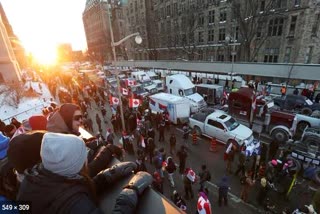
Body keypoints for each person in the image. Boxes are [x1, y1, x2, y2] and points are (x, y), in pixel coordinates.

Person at [17, 132, 152, 214]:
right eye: (83, 157)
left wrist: (106, 177)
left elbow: (66, 191)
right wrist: (130, 192)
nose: (87, 160)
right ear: (75, 166)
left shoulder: (32, 180)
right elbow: (71, 200)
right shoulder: (76, 206)